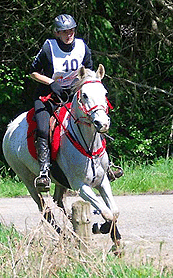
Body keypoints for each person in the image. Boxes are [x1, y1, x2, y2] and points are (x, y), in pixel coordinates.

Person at [30, 14, 122, 192]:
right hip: (47, 97)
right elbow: (33, 72)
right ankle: (43, 171)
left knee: (95, 119)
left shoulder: (82, 47)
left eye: (71, 30)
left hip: (72, 95)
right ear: (57, 33)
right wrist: (51, 83)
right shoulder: (48, 48)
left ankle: (107, 165)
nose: (68, 34)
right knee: (42, 128)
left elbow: (88, 71)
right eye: (64, 32)